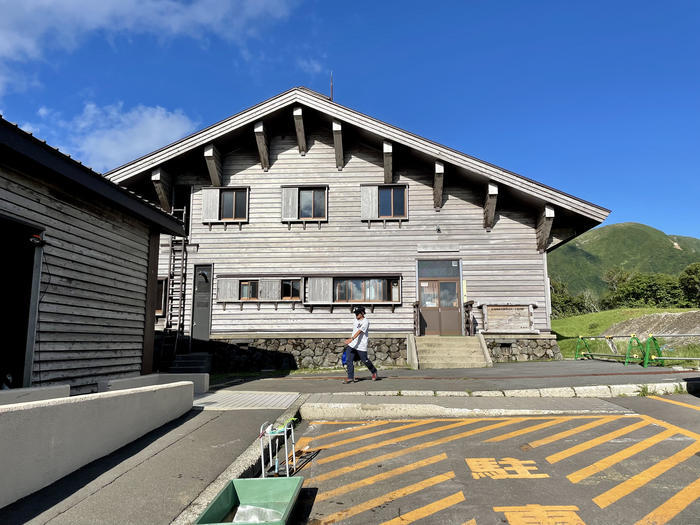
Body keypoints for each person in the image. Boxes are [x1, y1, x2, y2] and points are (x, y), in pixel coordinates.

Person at [343, 306, 378, 383]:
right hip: (352, 344)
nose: (356, 315)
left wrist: (351, 339)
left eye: (357, 313)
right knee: (349, 360)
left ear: (362, 313)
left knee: (365, 361)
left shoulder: (366, 322)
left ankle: (374, 371)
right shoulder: (355, 320)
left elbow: (359, 331)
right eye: (355, 313)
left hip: (361, 345)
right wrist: (351, 341)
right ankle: (350, 377)